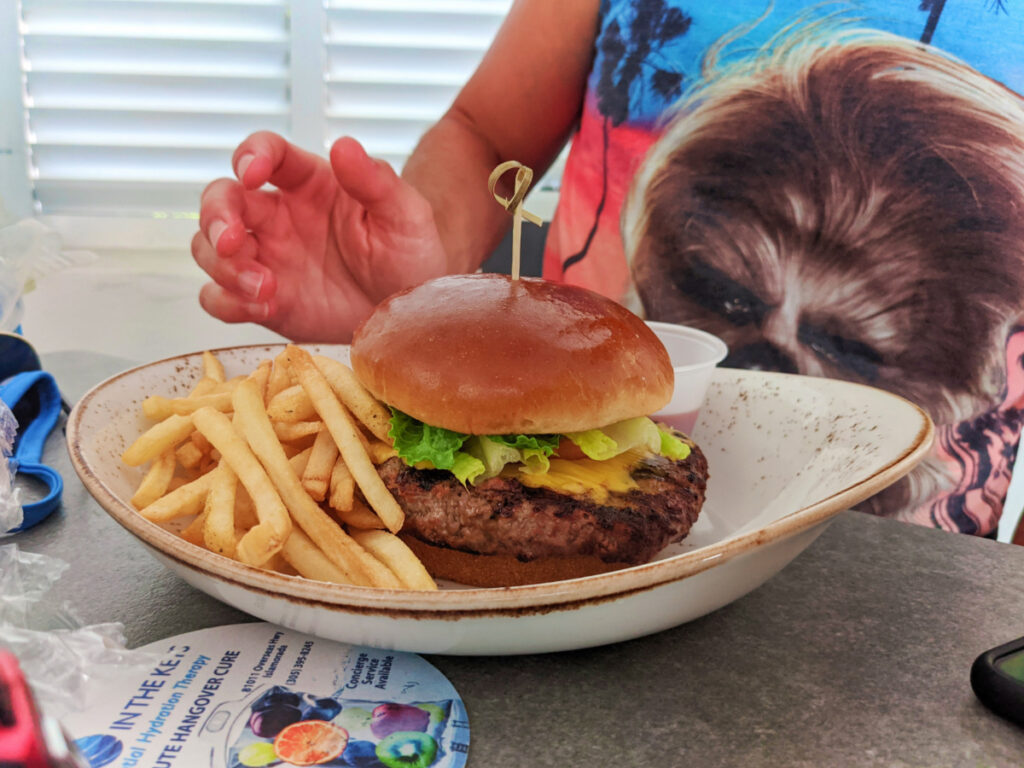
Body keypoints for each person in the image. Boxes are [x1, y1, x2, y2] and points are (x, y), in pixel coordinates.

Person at [193, 0, 1024, 537]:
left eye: (850, 340)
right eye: (725, 296)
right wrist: (422, 263)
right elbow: (488, 132)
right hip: (549, 538)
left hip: (909, 571)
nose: (771, 357)